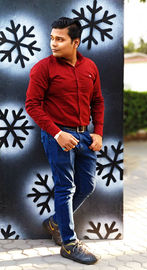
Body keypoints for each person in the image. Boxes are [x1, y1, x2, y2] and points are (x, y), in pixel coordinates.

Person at [25, 17, 104, 265]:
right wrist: (57, 133)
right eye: (52, 38)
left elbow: (98, 101)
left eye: (60, 39)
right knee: (65, 187)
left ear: (75, 42)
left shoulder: (90, 67)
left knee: (87, 186)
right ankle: (69, 244)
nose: (53, 43)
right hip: (56, 135)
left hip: (85, 136)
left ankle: (55, 222)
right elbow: (32, 105)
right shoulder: (43, 68)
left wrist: (98, 131)